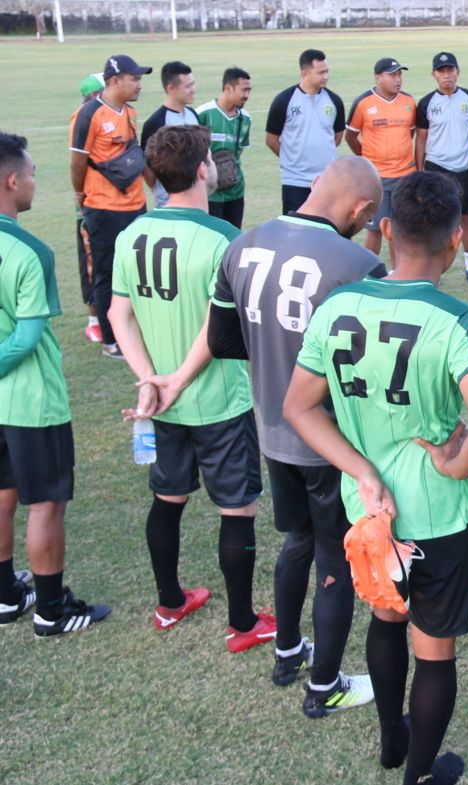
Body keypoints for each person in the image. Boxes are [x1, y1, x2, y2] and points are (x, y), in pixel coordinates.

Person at [284, 171, 468, 785]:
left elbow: (297, 407)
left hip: (369, 513)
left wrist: (361, 470)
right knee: (433, 647)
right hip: (435, 517)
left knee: (386, 618)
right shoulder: (459, 320)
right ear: (458, 239)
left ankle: (392, 740)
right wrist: (452, 462)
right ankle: (419, 774)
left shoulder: (340, 305)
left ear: (385, 230)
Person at [208, 157, 386, 715]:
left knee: (298, 541)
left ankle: (288, 654)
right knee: (335, 553)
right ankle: (324, 686)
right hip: (329, 438)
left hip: (272, 429)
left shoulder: (242, 245)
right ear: (360, 210)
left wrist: (272, 357)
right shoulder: (360, 264)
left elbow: (221, 339)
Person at [107, 125, 275, 653]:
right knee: (237, 509)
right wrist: (177, 379)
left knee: (168, 497)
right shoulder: (222, 238)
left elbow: (119, 314)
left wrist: (150, 381)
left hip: (161, 404)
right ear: (204, 168)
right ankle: (244, 624)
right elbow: (217, 324)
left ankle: (169, 602)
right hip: (218, 400)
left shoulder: (131, 235)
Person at [0, 132, 111, 638]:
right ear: (12, 180)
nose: (35, 182)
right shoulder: (29, 251)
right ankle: (50, 609)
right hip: (30, 400)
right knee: (46, 502)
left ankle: (6, 595)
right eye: (32, 173)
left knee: (3, 493)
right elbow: (24, 339)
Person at [70, 54, 152, 360]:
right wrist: (80, 193)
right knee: (106, 272)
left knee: (134, 270)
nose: (139, 85)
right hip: (103, 208)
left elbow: (132, 155)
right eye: (135, 79)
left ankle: (133, 329)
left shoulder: (129, 113)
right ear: (115, 80)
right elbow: (78, 161)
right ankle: (110, 338)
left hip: (135, 204)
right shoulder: (88, 114)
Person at [416, 52, 468, 285]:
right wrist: (420, 169)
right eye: (442, 71)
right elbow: (421, 139)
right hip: (436, 168)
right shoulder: (426, 103)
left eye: (450, 70)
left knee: (466, 218)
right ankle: (430, 267)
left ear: (458, 72)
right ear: (434, 74)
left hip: (464, 168)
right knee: (434, 219)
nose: (447, 75)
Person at [346, 57, 417, 256]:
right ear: (378, 77)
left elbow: (409, 133)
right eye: (392, 75)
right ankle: (371, 273)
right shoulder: (363, 103)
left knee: (399, 229)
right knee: (375, 229)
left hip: (405, 177)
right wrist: (368, 158)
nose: (398, 79)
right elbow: (350, 136)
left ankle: (398, 273)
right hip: (377, 178)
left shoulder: (409, 102)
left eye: (399, 74)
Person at [265, 49, 346, 215]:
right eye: (321, 72)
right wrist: (292, 157)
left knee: (325, 230)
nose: (326, 76)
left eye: (327, 71)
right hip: (294, 182)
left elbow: (337, 138)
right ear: (305, 73)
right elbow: (271, 139)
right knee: (295, 233)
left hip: (326, 181)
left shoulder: (335, 101)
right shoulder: (284, 100)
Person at [197, 67, 252, 229]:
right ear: (228, 88)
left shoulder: (245, 118)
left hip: (236, 191)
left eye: (249, 91)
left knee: (233, 237)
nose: (247, 96)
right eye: (244, 90)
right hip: (210, 194)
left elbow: (239, 152)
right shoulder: (203, 114)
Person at [141, 61, 198, 209]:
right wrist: (159, 190)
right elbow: (147, 166)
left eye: (193, 84)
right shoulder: (156, 122)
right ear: (171, 88)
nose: (193, 89)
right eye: (188, 86)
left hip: (196, 199)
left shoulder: (193, 114)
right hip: (168, 203)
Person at [75, 73, 104, 345]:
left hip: (111, 206)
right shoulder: (84, 120)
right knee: (92, 267)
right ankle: (93, 322)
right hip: (90, 208)